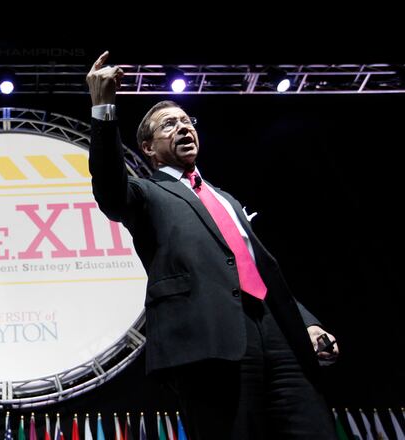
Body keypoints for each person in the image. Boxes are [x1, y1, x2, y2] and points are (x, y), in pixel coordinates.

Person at [86, 50, 340, 439]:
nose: (184, 128)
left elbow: (258, 266)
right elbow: (108, 188)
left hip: (277, 335)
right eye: (169, 125)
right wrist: (103, 108)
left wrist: (306, 323)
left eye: (188, 122)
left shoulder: (225, 199)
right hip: (209, 341)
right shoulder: (145, 193)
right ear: (149, 149)